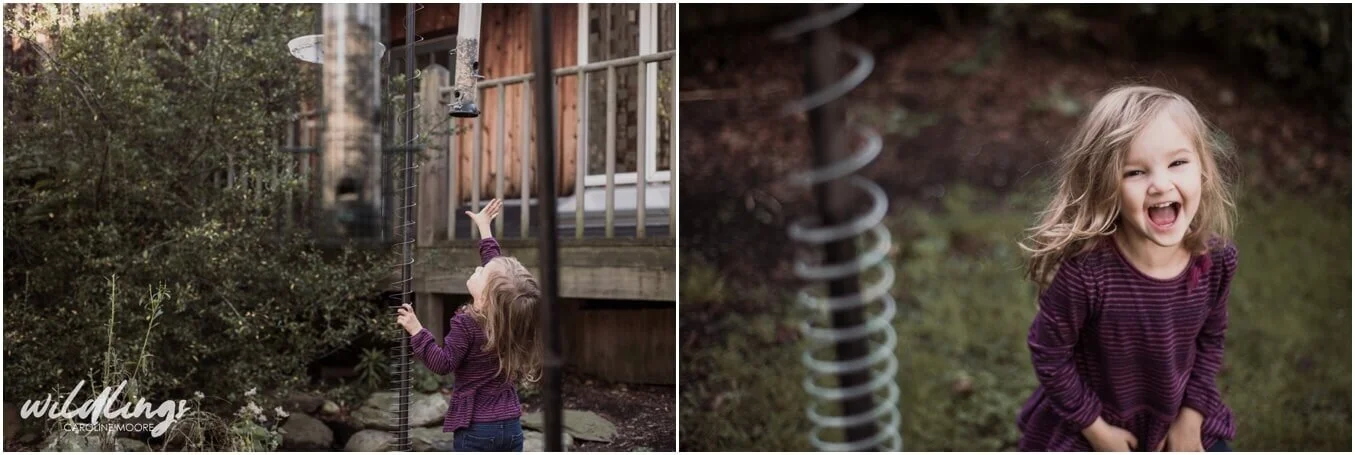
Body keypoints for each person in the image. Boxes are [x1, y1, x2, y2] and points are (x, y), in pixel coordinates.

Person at [1016, 86, 1239, 452]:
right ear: (1105, 186)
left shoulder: (1216, 261)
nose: (1160, 184)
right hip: (1095, 424)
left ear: (1204, 170)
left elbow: (1210, 340)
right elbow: (1049, 352)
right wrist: (1097, 431)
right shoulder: (1087, 275)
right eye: (1135, 172)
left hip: (1177, 416)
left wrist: (1191, 417)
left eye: (1178, 163)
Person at [397, 199, 542, 452]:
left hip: (477, 430)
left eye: (481, 273)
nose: (478, 268)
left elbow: (443, 363)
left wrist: (417, 331)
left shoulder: (466, 324)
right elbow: (497, 273)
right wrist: (485, 229)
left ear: (485, 297)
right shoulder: (511, 317)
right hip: (511, 427)